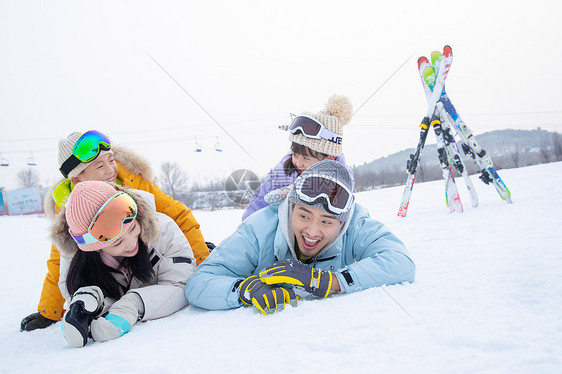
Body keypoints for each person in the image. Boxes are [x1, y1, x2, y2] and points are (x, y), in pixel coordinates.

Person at [20, 130, 210, 332]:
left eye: (111, 160)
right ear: (77, 179)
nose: (111, 170)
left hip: (153, 259)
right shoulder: (71, 207)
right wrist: (49, 310)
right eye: (99, 166)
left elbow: (179, 217)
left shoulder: (134, 183)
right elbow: (62, 258)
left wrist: (202, 264)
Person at [186, 160, 415, 315]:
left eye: (326, 221)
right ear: (290, 206)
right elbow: (200, 283)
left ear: (343, 222)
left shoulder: (356, 224)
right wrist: (247, 289)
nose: (312, 232)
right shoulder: (258, 229)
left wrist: (329, 281)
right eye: (304, 215)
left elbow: (400, 262)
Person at [51, 181, 195, 347]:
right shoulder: (74, 256)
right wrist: (93, 301)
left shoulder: (163, 230)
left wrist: (133, 305)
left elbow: (181, 285)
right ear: (95, 249)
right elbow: (70, 288)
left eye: (132, 227)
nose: (131, 243)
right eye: (117, 242)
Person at [242, 94, 355, 220]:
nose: (298, 163)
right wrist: (248, 228)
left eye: (306, 158)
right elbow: (259, 202)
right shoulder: (283, 173)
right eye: (295, 154)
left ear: (329, 158)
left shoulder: (342, 182)